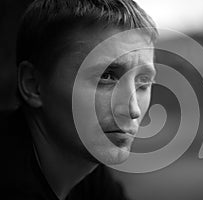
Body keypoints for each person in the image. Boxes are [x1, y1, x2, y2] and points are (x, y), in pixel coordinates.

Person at [1, 0, 158, 199]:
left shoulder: (90, 178)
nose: (132, 109)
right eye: (106, 76)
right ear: (33, 85)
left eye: (143, 83)